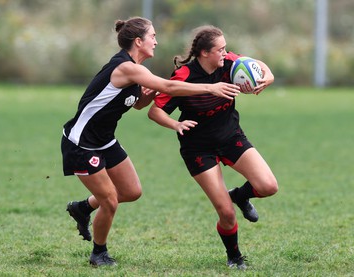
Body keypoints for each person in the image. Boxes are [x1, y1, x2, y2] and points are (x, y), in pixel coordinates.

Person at [61, 18, 242, 267]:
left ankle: (82, 208)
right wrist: (210, 89)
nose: (156, 41)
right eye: (153, 36)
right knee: (110, 200)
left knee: (131, 191)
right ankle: (98, 253)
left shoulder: (136, 70)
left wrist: (149, 96)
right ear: (138, 41)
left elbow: (136, 104)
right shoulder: (127, 68)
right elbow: (168, 85)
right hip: (80, 144)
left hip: (104, 141)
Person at [147, 25, 278, 270]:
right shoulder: (184, 76)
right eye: (220, 50)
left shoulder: (229, 63)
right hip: (198, 148)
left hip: (230, 136)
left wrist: (267, 79)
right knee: (226, 215)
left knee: (268, 186)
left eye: (226, 48)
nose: (226, 53)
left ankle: (238, 196)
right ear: (205, 53)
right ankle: (235, 257)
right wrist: (175, 123)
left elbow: (259, 64)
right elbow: (154, 112)